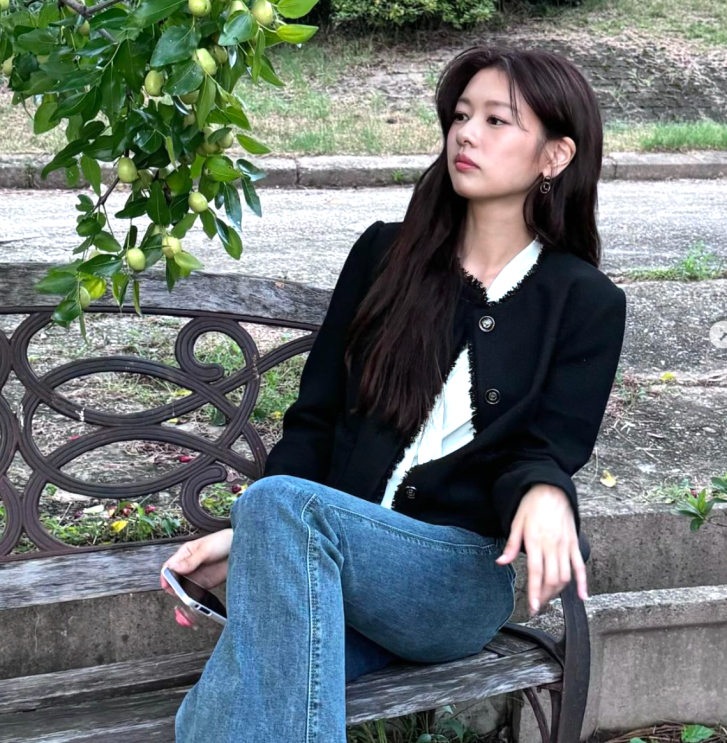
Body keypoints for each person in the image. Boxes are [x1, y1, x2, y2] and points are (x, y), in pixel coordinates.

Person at [164, 45, 627, 742]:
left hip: (455, 584)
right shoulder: (385, 255)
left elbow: (545, 448)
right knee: (220, 708)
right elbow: (315, 418)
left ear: (554, 157)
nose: (466, 134)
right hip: (340, 566)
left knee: (278, 516)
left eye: (496, 120)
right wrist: (258, 537)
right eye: (461, 116)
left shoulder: (583, 300)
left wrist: (545, 491)